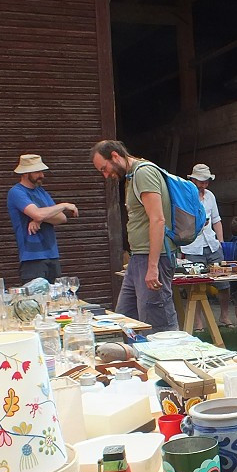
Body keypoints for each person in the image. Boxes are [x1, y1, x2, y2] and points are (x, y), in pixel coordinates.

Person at [91, 140, 179, 333]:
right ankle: (133, 361)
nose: (106, 175)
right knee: (126, 321)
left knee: (157, 325)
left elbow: (157, 220)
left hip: (152, 258)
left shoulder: (144, 173)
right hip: (138, 258)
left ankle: (169, 360)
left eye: (104, 169)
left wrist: (153, 267)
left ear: (115, 156)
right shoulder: (132, 176)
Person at [6, 154, 78, 283]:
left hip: (52, 256)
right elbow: (38, 213)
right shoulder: (17, 192)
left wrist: (39, 218)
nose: (42, 175)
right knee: (36, 301)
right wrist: (63, 205)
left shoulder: (41, 192)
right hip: (32, 258)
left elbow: (61, 218)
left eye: (41, 171)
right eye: (37, 172)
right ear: (25, 173)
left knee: (56, 300)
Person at [182, 164, 232, 329]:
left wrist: (221, 241)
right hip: (192, 246)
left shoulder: (210, 196)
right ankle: (198, 322)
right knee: (195, 285)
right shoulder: (185, 196)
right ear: (193, 180)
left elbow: (216, 219)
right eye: (201, 182)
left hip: (211, 244)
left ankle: (224, 316)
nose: (204, 185)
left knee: (223, 282)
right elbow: (180, 222)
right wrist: (196, 223)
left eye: (206, 182)